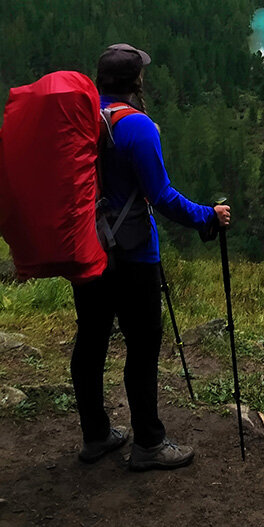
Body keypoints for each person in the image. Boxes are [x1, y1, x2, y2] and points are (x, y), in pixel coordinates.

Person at [70, 43, 230, 471]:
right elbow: (160, 196)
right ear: (136, 81)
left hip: (88, 251)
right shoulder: (137, 127)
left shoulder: (80, 120)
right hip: (134, 256)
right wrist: (207, 217)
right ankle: (148, 443)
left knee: (91, 341)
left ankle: (96, 435)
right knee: (141, 348)